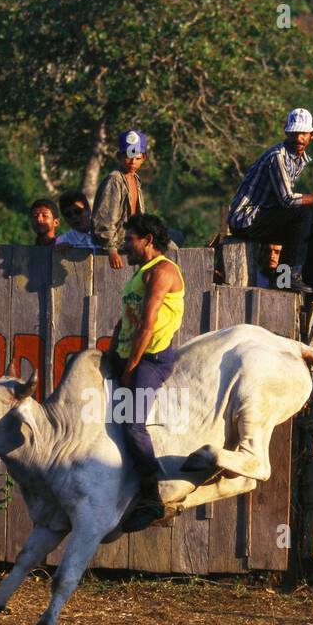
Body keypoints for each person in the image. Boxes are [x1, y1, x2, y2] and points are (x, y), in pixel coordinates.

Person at [108, 213, 185, 532]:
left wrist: (131, 367)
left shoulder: (163, 271)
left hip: (150, 360)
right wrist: (112, 352)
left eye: (130, 240)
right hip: (128, 355)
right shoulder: (140, 273)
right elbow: (126, 319)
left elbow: (148, 324)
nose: (125, 246)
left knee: (133, 426)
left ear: (147, 241)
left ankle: (152, 498)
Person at [228, 108, 313, 294]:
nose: (299, 138)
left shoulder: (297, 159)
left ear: (312, 135)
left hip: (264, 215)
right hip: (246, 219)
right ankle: (290, 276)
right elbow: (287, 199)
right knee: (301, 214)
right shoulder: (278, 157)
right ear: (287, 133)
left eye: (303, 134)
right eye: (294, 133)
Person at [93, 130, 148, 269]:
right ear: (119, 156)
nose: (132, 161)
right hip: (116, 251)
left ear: (143, 158)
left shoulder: (136, 179)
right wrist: (112, 250)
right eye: (128, 156)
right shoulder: (115, 180)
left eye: (137, 157)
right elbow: (104, 220)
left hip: (132, 247)